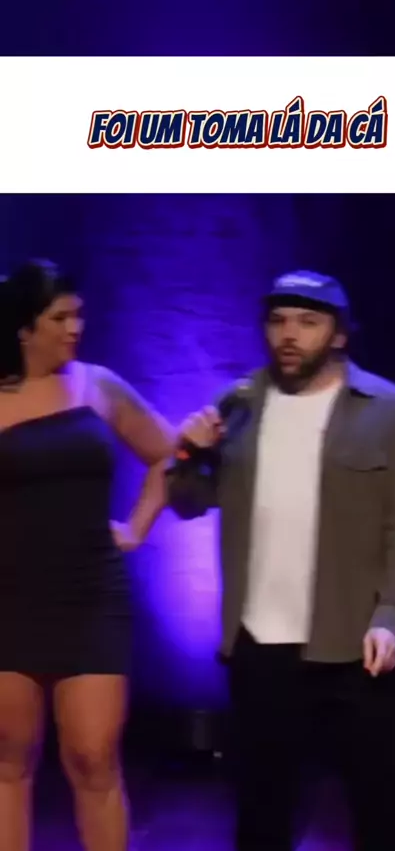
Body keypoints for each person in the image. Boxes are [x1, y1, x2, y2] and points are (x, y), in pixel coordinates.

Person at [168, 270, 395, 851]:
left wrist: (391, 616)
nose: (289, 335)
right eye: (278, 321)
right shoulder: (239, 404)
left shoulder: (390, 411)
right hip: (261, 648)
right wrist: (190, 454)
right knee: (262, 815)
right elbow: (187, 504)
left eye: (308, 322)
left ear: (339, 334)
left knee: (381, 813)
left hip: (355, 648)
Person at [0, 259, 174, 851]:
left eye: (79, 315)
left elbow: (166, 454)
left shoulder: (97, 384)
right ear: (24, 327)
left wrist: (136, 528)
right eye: (60, 318)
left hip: (90, 594)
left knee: (93, 756)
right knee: (9, 760)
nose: (75, 328)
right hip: (10, 596)